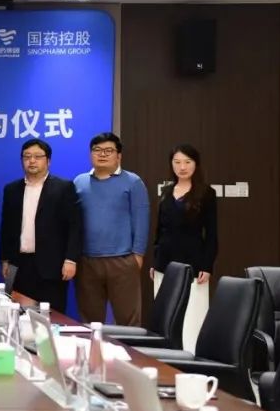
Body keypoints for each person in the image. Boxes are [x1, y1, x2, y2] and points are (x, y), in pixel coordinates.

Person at [73, 132, 150, 326]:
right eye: (97, 150)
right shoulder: (79, 182)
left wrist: (137, 255)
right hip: (87, 262)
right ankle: (94, 348)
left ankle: (130, 349)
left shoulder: (133, 182)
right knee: (90, 322)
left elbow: (141, 220)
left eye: (108, 150)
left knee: (128, 321)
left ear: (119, 156)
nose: (102, 154)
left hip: (122, 260)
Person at [0, 138, 82, 312]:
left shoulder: (63, 188)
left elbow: (74, 227)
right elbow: (7, 227)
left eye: (37, 156)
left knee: (52, 315)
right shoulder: (11, 190)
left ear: (48, 160)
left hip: (52, 266)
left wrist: (71, 259)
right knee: (19, 313)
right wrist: (5, 259)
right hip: (19, 264)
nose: (32, 160)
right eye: (27, 156)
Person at [153, 143, 218, 351]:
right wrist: (155, 260)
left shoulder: (206, 193)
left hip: (194, 263)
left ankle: (191, 356)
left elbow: (212, 234)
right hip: (164, 262)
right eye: (177, 162)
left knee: (193, 315)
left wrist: (207, 265)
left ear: (196, 164)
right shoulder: (166, 192)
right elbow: (159, 230)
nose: (182, 167)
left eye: (187, 162)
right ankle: (167, 356)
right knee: (165, 314)